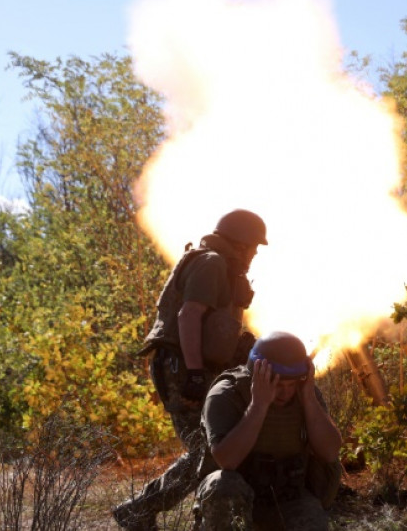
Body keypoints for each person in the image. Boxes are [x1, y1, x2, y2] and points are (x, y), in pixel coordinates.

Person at [113, 209, 268, 531]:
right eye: (253, 246)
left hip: (194, 366)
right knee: (208, 449)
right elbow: (188, 316)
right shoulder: (211, 263)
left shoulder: (223, 267)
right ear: (237, 243)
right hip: (182, 367)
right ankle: (140, 509)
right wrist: (196, 373)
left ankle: (141, 509)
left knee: (211, 448)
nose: (254, 253)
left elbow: (216, 325)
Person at [194, 331, 343, 530]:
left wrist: (308, 398)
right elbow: (226, 460)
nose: (285, 392)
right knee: (223, 486)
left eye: (291, 384)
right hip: (238, 498)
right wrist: (259, 405)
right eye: (278, 383)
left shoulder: (305, 393)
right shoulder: (226, 394)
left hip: (288, 498)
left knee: (312, 522)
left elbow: (330, 451)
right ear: (258, 373)